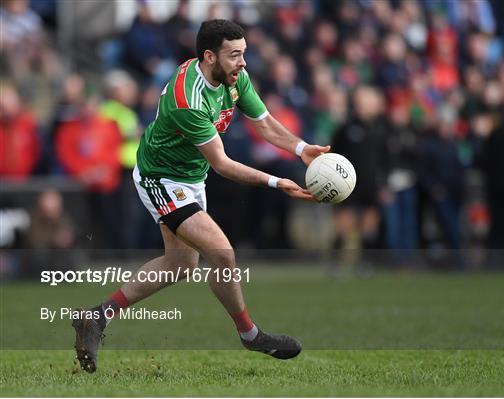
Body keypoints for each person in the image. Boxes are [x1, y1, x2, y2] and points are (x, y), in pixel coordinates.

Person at [72, 19, 330, 373]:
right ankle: (250, 335)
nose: (243, 62)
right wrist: (277, 182)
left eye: (244, 53)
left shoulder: (233, 76)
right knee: (221, 252)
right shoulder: (188, 98)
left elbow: (264, 122)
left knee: (181, 264)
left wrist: (301, 149)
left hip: (191, 177)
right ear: (210, 56)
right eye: (235, 55)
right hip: (160, 177)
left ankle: (95, 318)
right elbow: (222, 163)